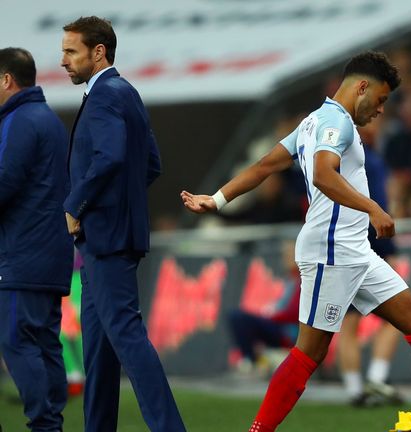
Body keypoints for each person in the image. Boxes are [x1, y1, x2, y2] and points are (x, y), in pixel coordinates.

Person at [181, 51, 411, 432]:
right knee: (309, 354)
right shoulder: (337, 122)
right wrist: (373, 208)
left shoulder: (312, 122)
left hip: (354, 251)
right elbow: (322, 174)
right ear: (362, 87)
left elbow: (266, 164)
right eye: (382, 100)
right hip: (331, 252)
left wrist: (217, 199)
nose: (382, 110)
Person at [60, 17, 186, 432]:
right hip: (110, 237)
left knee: (127, 339)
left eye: (71, 51)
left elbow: (110, 157)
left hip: (106, 240)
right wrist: (121, 206)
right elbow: (151, 164)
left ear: (98, 52)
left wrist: (78, 204)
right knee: (99, 351)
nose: (63, 61)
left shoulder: (105, 96)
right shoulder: (126, 93)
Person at [0, 47, 72, 432]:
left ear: (6, 80)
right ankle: (51, 422)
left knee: (16, 339)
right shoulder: (48, 119)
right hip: (50, 251)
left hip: (22, 254)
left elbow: (4, 182)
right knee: (44, 341)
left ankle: (44, 425)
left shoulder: (18, 120)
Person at [338, 140, 404, 407]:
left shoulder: (334, 164)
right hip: (369, 246)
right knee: (398, 315)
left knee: (349, 325)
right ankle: (377, 378)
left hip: (341, 248)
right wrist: (389, 248)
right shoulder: (371, 163)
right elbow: (377, 203)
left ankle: (354, 390)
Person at [230, 241, 300, 375]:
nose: (286, 258)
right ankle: (251, 360)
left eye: (290, 254)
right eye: (285, 255)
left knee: (238, 318)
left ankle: (250, 361)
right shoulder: (290, 279)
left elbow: (294, 313)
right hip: (279, 325)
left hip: (288, 331)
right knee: (238, 317)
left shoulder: (303, 279)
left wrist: (271, 315)